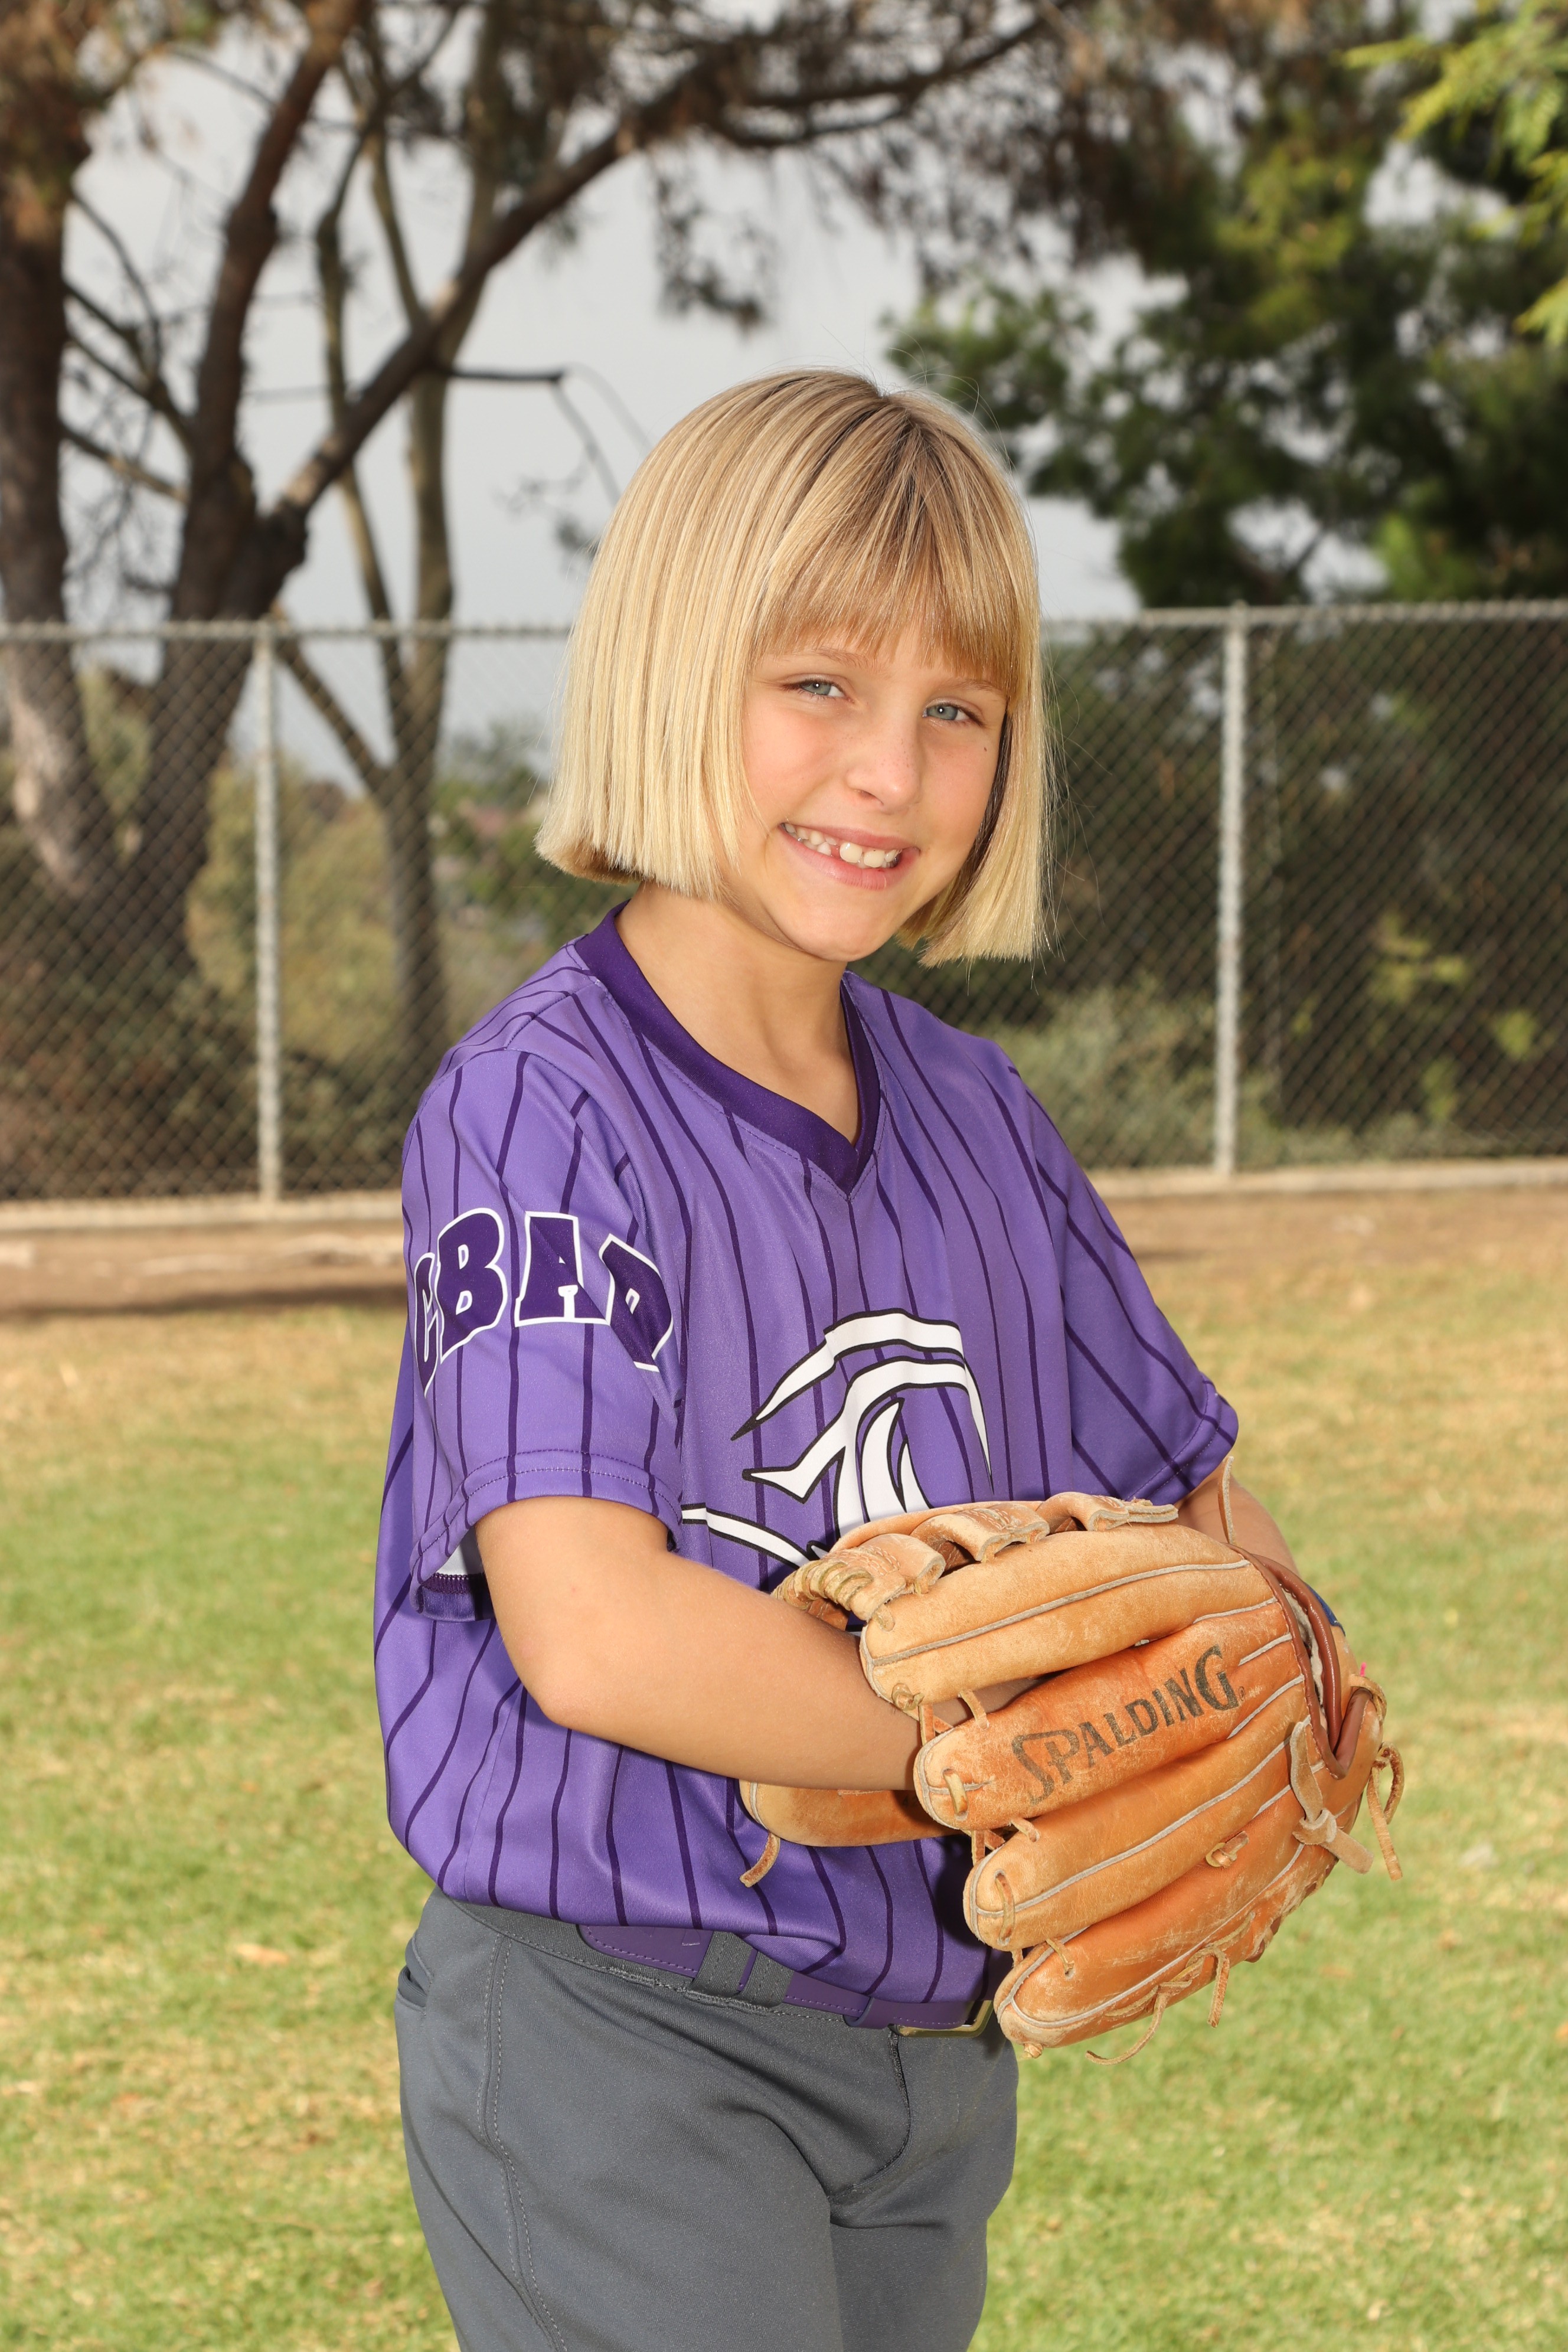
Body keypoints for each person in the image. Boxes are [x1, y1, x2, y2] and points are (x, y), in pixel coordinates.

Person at [373, 370, 1298, 2352]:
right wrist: (1027, 1753)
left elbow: (1202, 1513)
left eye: (959, 710)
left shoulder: (978, 1118)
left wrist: (1258, 1668)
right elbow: (592, 1631)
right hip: (624, 2032)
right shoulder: (543, 1108)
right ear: (670, 671)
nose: (889, 772)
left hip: (931, 2054)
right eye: (819, 685)